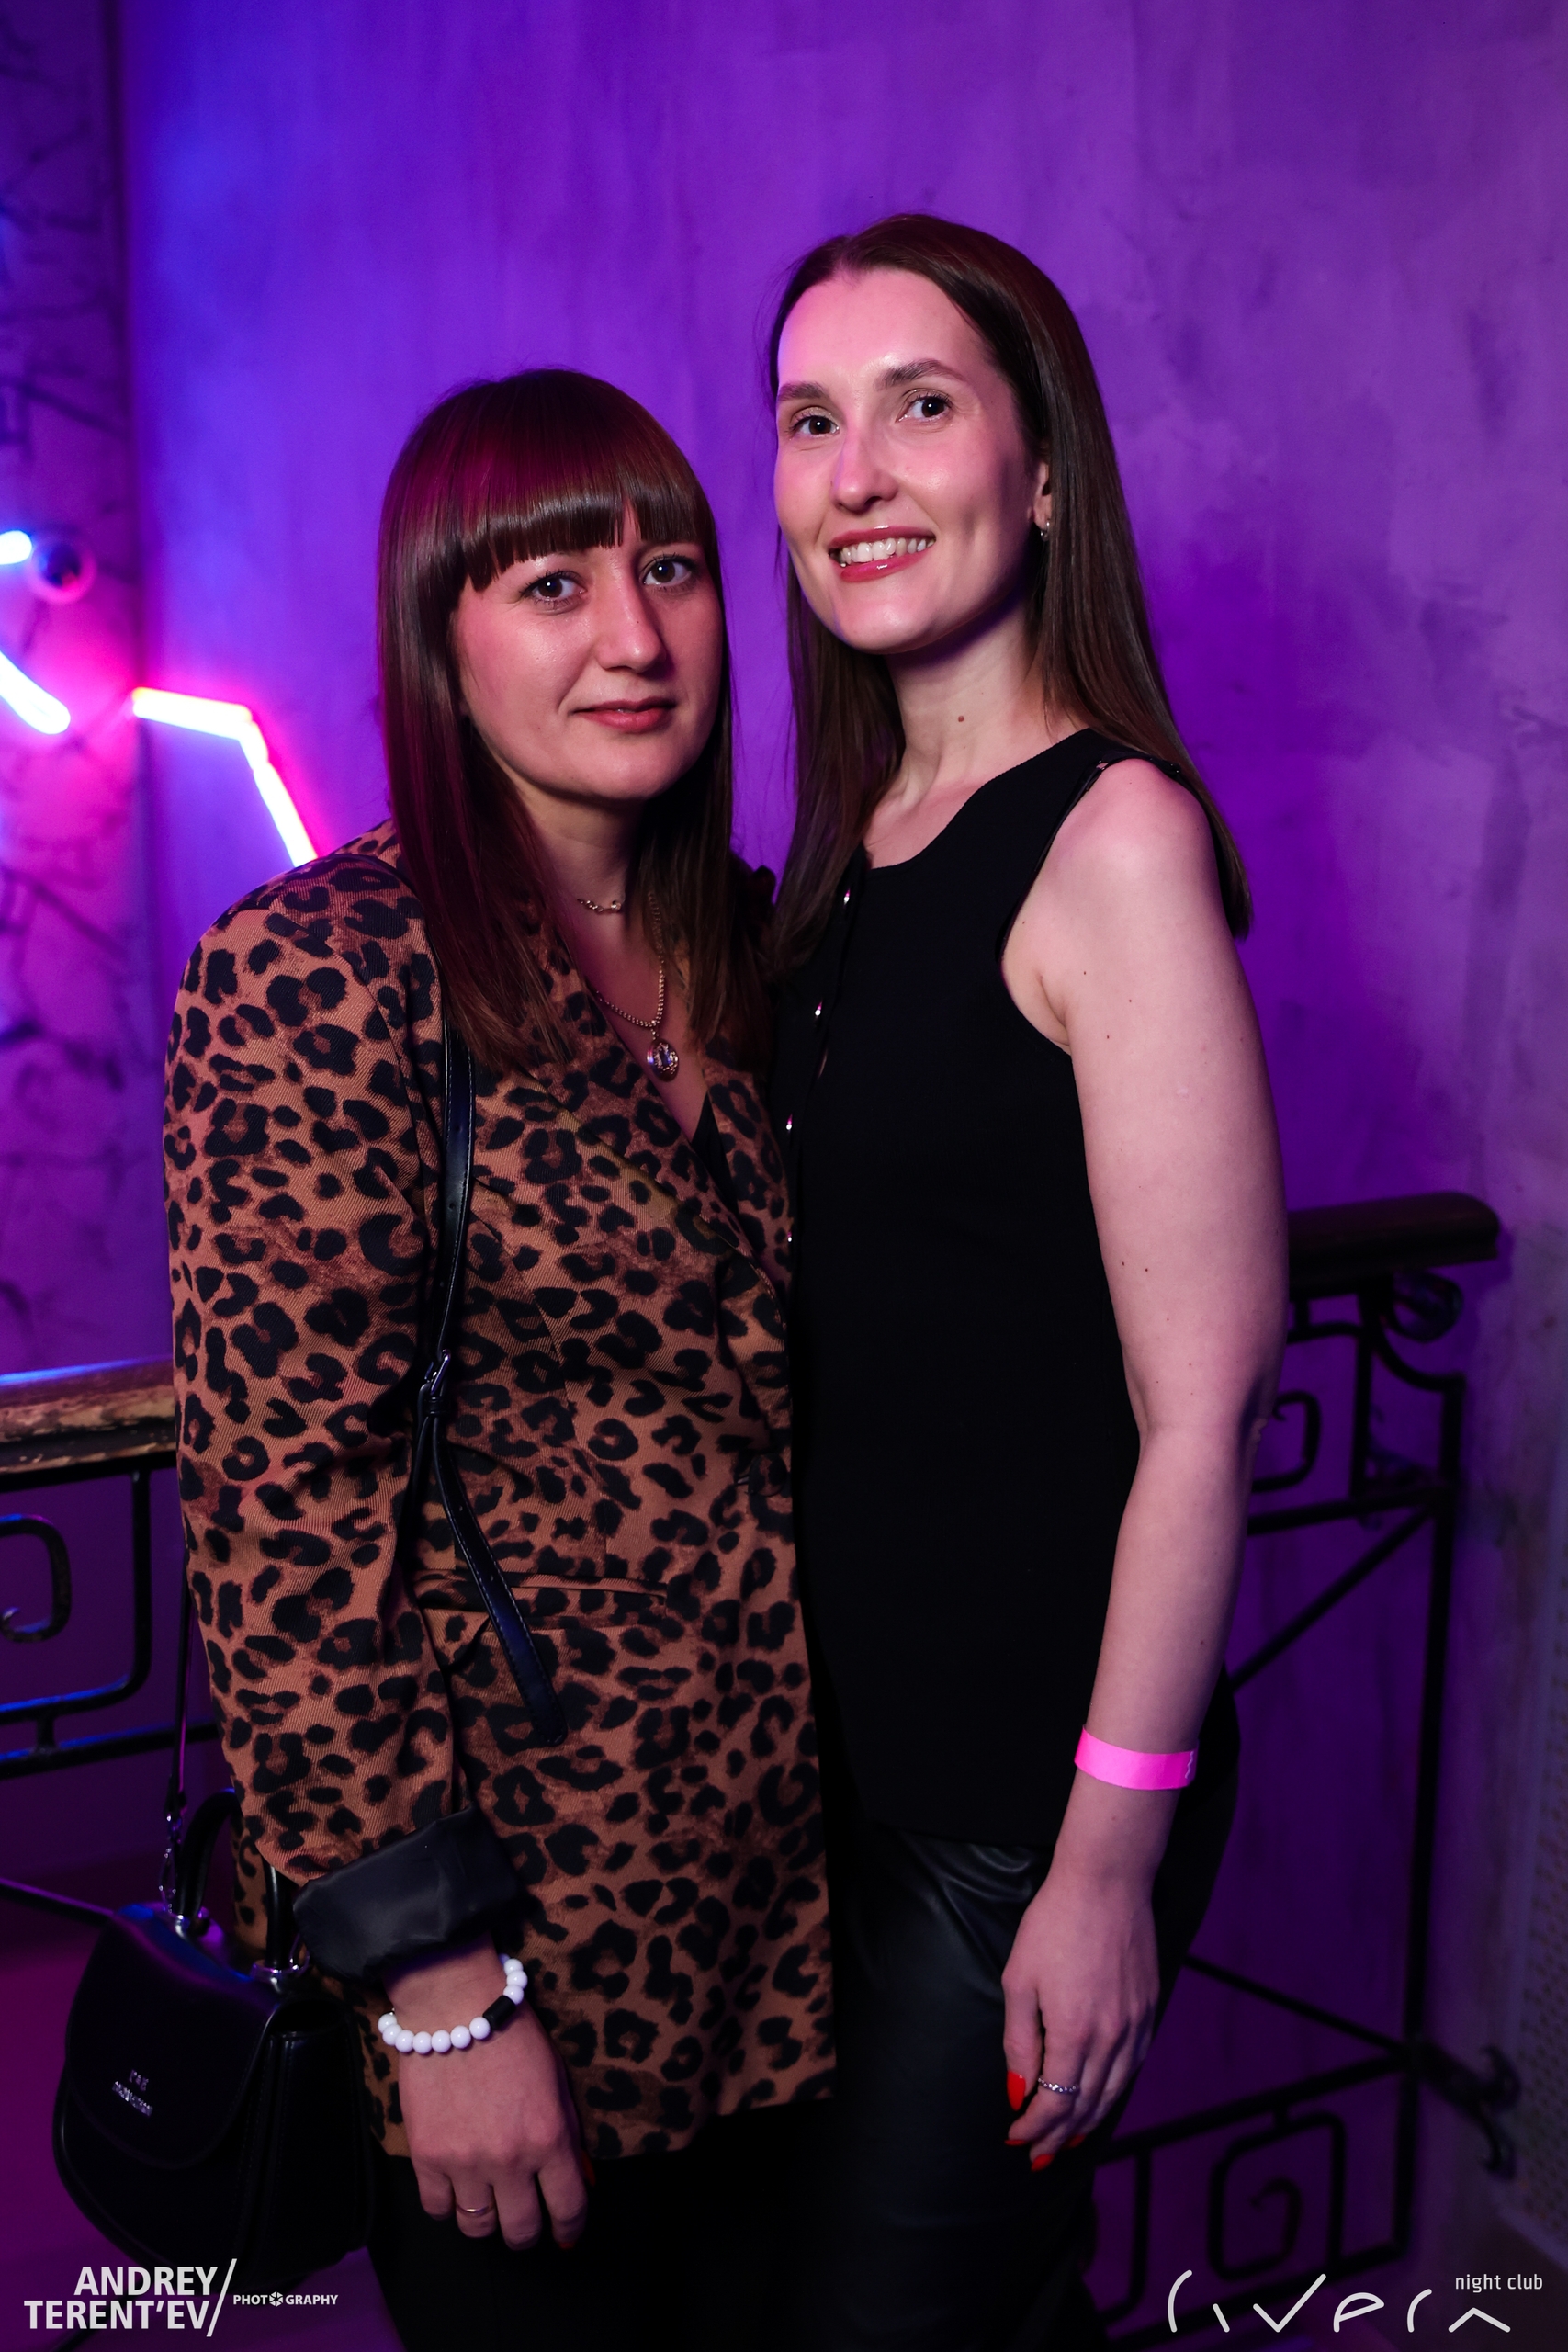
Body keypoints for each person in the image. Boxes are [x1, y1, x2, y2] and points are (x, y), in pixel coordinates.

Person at [164, 369, 830, 2352]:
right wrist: (441, 1993)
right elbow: (287, 1533)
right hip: (527, 1945)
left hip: (798, 1922)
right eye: (553, 584)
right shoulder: (319, 972)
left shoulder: (757, 945)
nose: (636, 635)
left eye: (672, 570)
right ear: (438, 639)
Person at [766, 216, 1289, 2349]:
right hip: (831, 1771)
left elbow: (1200, 1411)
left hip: (1016, 1803)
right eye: (808, 420)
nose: (854, 474)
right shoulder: (842, 851)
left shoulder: (1111, 839)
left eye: (919, 405)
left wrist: (1099, 1864)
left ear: (1042, 469)